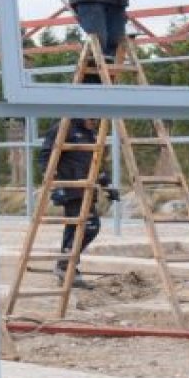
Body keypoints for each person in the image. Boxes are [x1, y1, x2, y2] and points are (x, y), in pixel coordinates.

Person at [38, 118, 119, 289]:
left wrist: (107, 185)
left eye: (96, 121)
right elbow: (46, 156)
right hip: (70, 186)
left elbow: (95, 162)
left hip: (86, 188)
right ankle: (65, 264)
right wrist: (53, 183)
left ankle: (67, 267)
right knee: (89, 226)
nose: (94, 123)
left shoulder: (91, 134)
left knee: (74, 229)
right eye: (92, 119)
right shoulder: (64, 128)